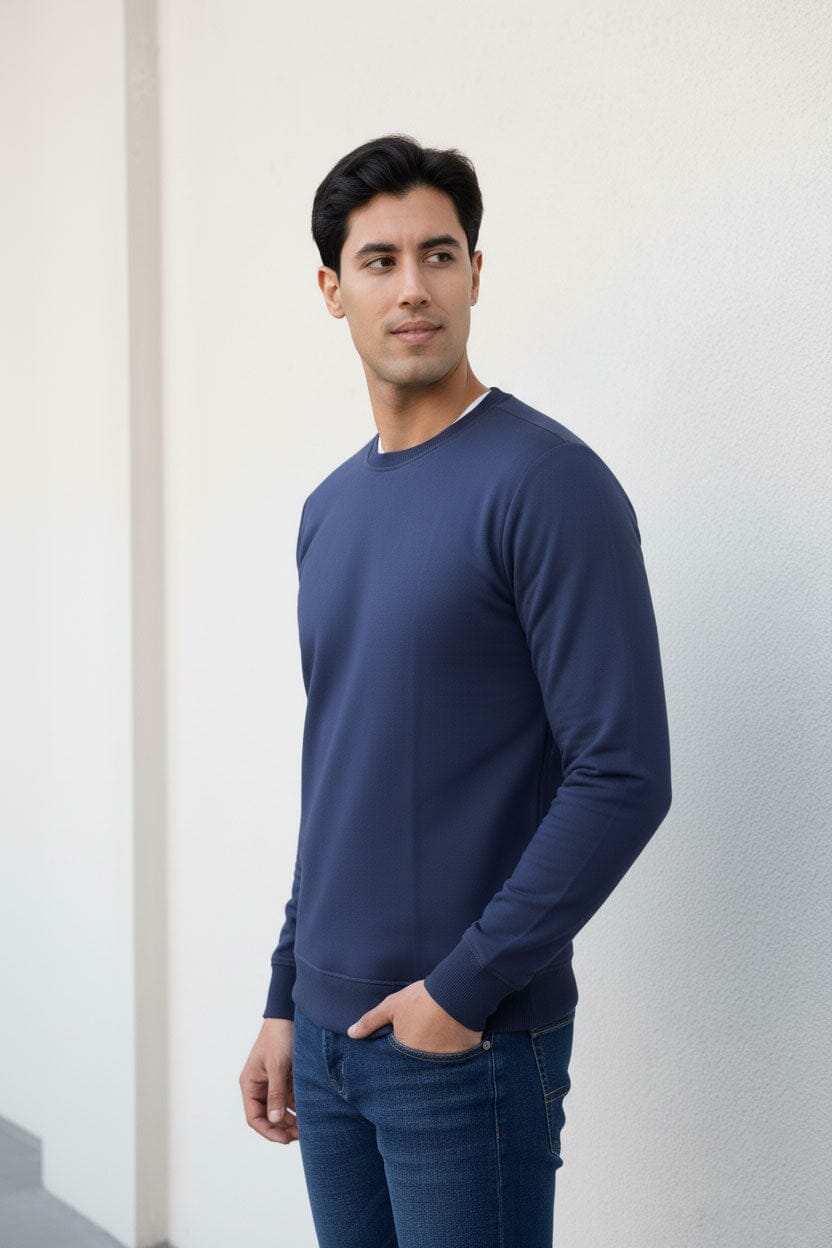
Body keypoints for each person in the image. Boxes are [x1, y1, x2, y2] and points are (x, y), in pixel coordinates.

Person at [239, 133, 672, 1247]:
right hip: (327, 1040)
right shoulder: (328, 511)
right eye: (379, 261)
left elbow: (623, 774)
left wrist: (460, 993)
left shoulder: (548, 485)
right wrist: (286, 994)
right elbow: (339, 771)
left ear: (476, 273)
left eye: (438, 255)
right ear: (332, 290)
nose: (413, 287)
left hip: (465, 1044)